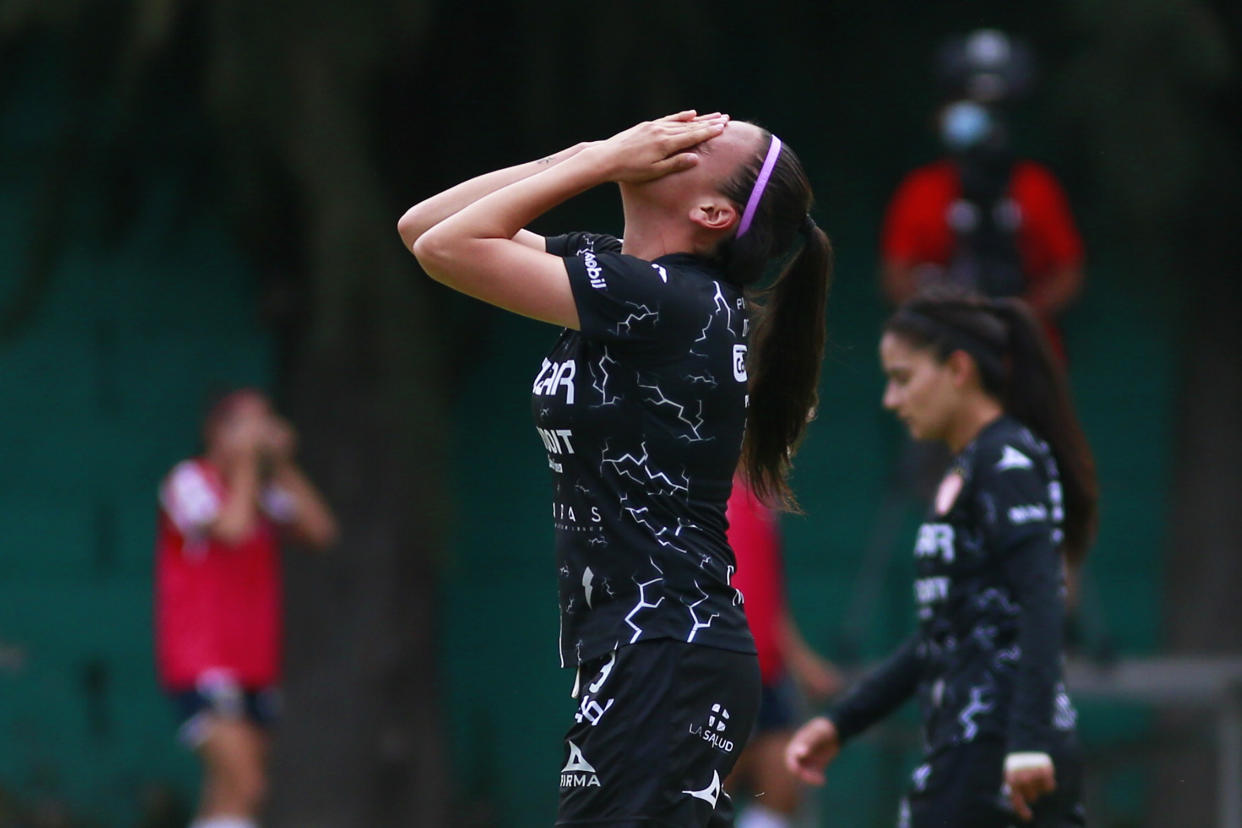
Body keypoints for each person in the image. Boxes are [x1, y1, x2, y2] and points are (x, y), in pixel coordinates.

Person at [399, 111, 833, 826]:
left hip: (663, 650)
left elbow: (450, 248)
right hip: (651, 651)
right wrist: (588, 152)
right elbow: (423, 225)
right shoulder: (639, 284)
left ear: (713, 212)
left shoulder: (667, 299)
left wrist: (600, 164)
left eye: (709, 142)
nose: (686, 128)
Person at [785, 291, 1098, 827]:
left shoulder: (1005, 460)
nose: (890, 398)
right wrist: (841, 723)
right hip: (976, 750)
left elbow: (1042, 597)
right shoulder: (970, 466)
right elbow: (943, 633)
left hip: (998, 756)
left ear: (958, 369)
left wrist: (1025, 742)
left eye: (903, 377)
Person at [154, 389, 337, 828]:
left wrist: (284, 464)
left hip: (255, 663)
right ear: (217, 431)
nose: (260, 432)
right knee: (249, 783)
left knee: (230, 793)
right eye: (248, 423)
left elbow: (320, 530)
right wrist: (248, 465)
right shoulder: (189, 480)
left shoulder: (263, 489)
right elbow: (232, 530)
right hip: (203, 662)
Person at [880, 29, 1084, 358]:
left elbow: (1068, 271)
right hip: (943, 357)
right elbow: (895, 276)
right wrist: (950, 318)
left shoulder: (1036, 186)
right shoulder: (922, 189)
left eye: (994, 108)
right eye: (971, 105)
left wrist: (1018, 315)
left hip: (1025, 358)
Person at [724, 473, 841, 828]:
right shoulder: (697, 488)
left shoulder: (763, 498)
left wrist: (803, 663)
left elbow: (767, 597)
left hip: (768, 678)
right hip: (718, 674)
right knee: (708, 795)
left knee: (783, 787)